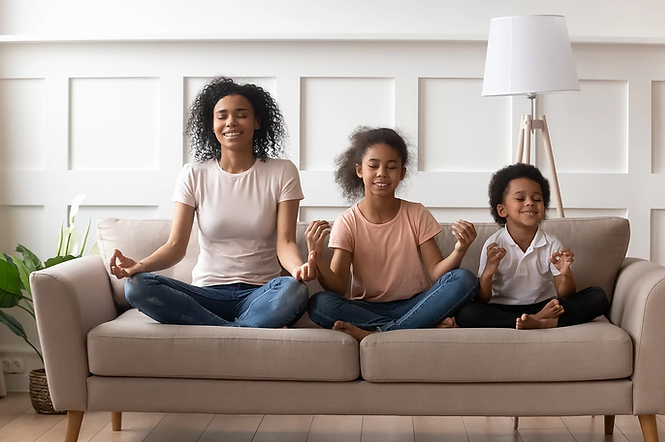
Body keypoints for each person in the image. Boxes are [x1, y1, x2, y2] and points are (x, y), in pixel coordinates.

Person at [108, 77, 314, 328]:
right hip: (206, 294)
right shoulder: (193, 174)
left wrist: (298, 269)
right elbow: (175, 245)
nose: (231, 122)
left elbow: (286, 242)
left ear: (257, 121)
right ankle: (240, 330)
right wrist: (138, 266)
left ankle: (217, 330)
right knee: (137, 286)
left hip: (260, 293)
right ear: (212, 123)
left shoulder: (282, 171)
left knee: (295, 290)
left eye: (241, 115)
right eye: (222, 115)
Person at [305, 127, 478, 341]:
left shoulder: (416, 213)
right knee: (320, 303)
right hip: (366, 308)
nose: (382, 173)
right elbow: (339, 287)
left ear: (402, 173)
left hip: (416, 303)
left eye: (391, 167)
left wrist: (460, 250)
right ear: (359, 170)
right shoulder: (347, 222)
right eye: (373, 165)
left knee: (465, 279)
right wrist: (317, 256)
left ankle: (378, 333)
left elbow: (436, 273)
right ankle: (419, 326)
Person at [455, 163, 608, 329]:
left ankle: (540, 320)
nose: (530, 203)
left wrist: (566, 273)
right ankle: (538, 320)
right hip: (501, 308)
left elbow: (566, 294)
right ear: (502, 210)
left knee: (597, 296)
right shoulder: (494, 244)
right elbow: (482, 299)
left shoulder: (551, 243)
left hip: (545, 305)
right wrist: (488, 273)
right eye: (520, 199)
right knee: (466, 312)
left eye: (537, 199)